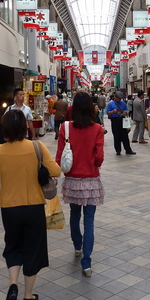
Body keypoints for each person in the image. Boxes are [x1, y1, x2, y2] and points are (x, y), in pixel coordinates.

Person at [0, 109, 61, 300]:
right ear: (25, 127)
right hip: (34, 206)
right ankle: (28, 296)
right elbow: (55, 171)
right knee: (33, 249)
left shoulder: (0, 150)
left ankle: (12, 284)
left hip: (9, 208)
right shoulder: (37, 146)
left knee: (13, 245)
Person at [56, 91, 104, 277]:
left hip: (73, 180)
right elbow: (99, 158)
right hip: (91, 180)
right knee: (89, 220)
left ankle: (77, 246)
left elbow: (60, 156)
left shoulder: (65, 128)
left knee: (74, 215)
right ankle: (86, 262)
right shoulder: (98, 129)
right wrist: (93, 163)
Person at [106, 91, 136, 156]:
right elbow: (107, 113)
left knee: (125, 136)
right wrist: (113, 111)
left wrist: (126, 112)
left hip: (122, 119)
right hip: (115, 120)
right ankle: (118, 150)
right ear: (115, 97)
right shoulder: (110, 104)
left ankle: (128, 150)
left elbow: (126, 110)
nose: (119, 99)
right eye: (118, 98)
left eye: (120, 98)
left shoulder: (123, 103)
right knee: (116, 136)